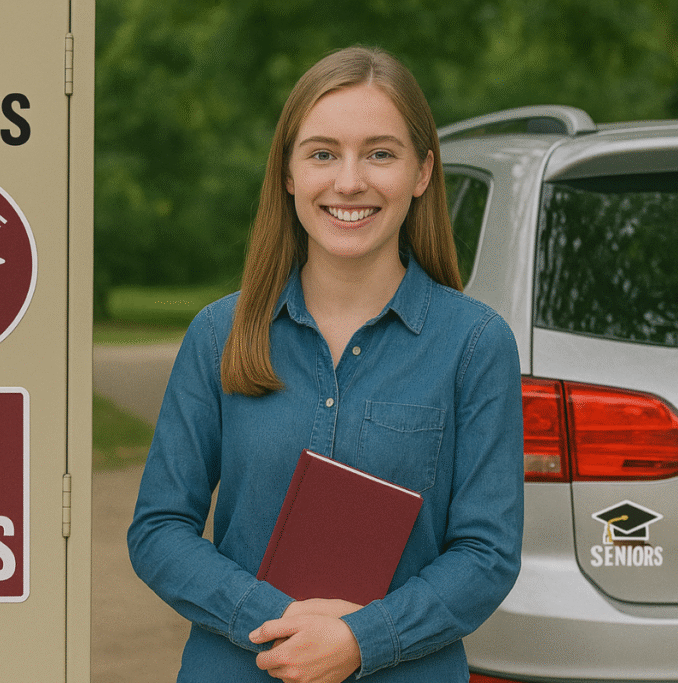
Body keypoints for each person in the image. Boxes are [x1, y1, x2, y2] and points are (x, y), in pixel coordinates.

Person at [127, 46, 524, 682]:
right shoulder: (218, 335)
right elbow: (159, 531)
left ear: (422, 171)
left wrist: (360, 641)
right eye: (322, 153)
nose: (348, 182)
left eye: (380, 153)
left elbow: (487, 554)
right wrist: (283, 621)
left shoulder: (475, 345)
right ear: (287, 173)